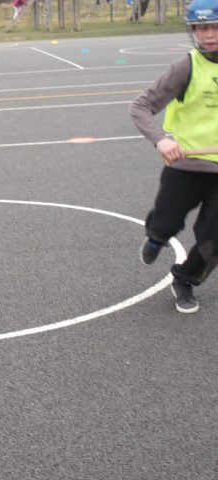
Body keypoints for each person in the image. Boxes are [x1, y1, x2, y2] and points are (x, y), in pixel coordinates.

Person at [130, 0, 218, 314]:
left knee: (214, 244)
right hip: (184, 166)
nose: (209, 34)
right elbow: (140, 107)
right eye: (201, 28)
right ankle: (156, 236)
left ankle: (185, 279)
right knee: (165, 223)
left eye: (214, 27)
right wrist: (161, 141)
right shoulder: (186, 67)